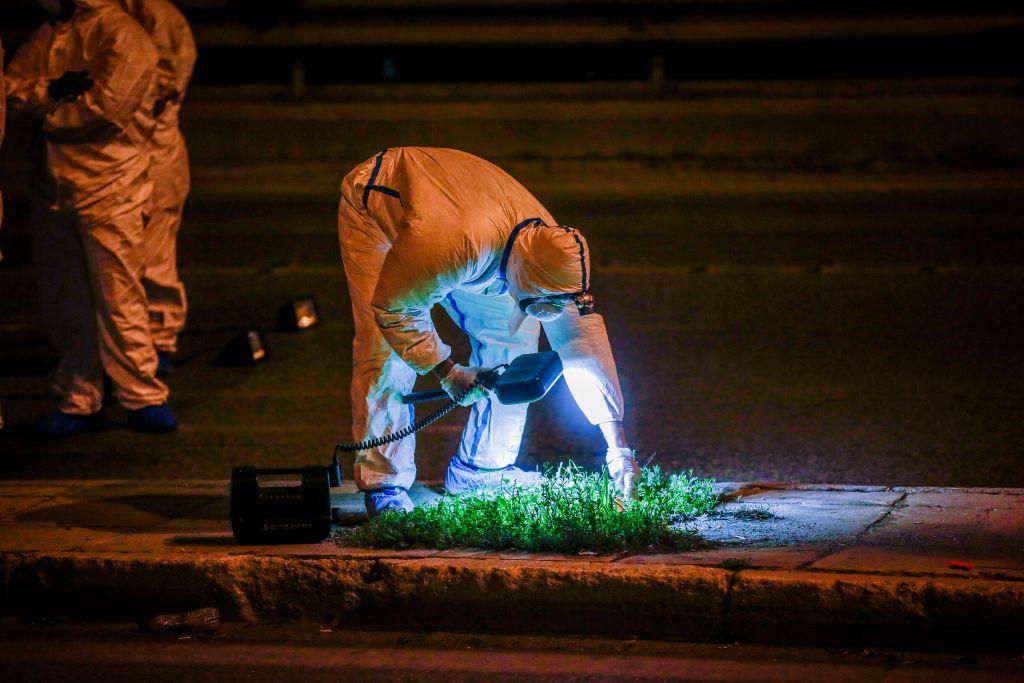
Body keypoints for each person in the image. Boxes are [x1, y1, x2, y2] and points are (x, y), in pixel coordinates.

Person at [338, 147, 641, 515]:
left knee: (514, 340)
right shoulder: (452, 245)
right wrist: (447, 371)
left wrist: (618, 445)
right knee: (384, 349)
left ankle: (482, 471)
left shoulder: (549, 251)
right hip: (377, 203)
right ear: (519, 274)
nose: (542, 313)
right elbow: (395, 310)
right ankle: (384, 484)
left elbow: (580, 344)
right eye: (537, 303)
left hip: (471, 222)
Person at [5, 0, 176, 436]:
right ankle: (80, 396)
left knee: (118, 294)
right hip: (55, 185)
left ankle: (141, 395)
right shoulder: (52, 33)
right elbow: (9, 90)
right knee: (64, 299)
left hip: (111, 185)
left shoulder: (123, 36)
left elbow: (101, 110)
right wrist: (51, 92)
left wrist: (42, 103)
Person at [119, 0, 196, 376]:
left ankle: (159, 339)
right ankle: (133, 342)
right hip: (123, 152)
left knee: (155, 253)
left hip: (153, 151)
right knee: (124, 258)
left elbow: (163, 79)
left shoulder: (152, 13)